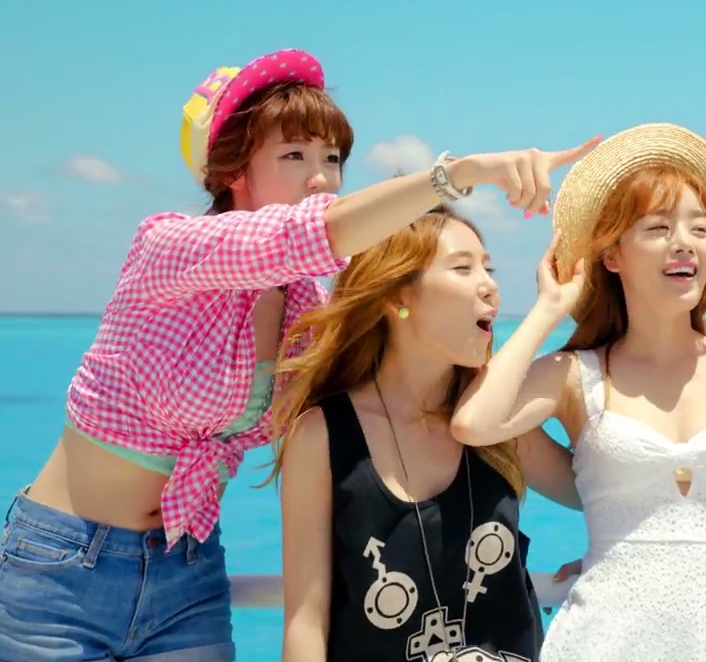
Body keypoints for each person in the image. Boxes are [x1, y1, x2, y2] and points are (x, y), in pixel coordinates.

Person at [0, 46, 598, 662]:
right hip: (63, 565)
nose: (321, 177)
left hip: (187, 569)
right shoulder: (168, 248)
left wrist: (616, 542)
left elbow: (402, 339)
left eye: (332, 159)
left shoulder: (309, 303)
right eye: (295, 156)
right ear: (234, 171)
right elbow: (313, 233)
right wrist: (462, 173)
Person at [449, 123, 706, 661]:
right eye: (658, 228)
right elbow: (475, 423)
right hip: (605, 640)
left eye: (700, 229)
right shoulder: (576, 375)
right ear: (613, 255)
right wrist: (549, 309)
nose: (684, 242)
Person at [268, 205, 580, 662]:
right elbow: (305, 622)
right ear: (398, 297)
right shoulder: (323, 437)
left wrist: (609, 560)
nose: (489, 286)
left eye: (489, 268)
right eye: (463, 268)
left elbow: (606, 496)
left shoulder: (495, 424)